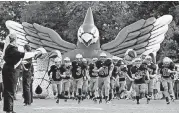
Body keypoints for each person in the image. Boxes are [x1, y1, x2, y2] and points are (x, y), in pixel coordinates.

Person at [2, 33, 41, 113]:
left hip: (10, 70)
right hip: (10, 71)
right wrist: (34, 53)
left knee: (10, 90)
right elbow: (22, 55)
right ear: (14, 40)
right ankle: (9, 110)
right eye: (17, 39)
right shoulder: (12, 48)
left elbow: (19, 57)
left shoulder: (10, 48)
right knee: (10, 90)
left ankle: (9, 109)